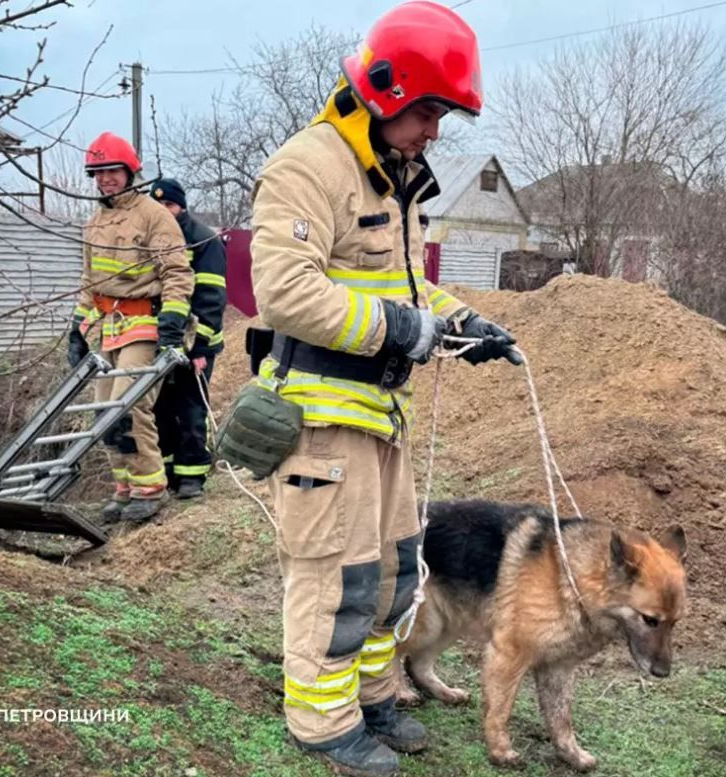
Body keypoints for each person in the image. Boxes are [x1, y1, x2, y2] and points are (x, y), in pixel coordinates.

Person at [246, 3, 520, 774]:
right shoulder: (309, 166)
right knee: (334, 573)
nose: (435, 131)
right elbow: (288, 294)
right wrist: (405, 333)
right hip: (320, 417)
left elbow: (401, 288)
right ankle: (322, 720)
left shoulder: (394, 178)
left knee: (395, 571)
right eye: (429, 111)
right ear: (385, 89)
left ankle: (373, 696)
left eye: (442, 115)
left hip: (378, 415)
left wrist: (464, 321)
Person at [67, 132, 193, 523]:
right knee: (105, 410)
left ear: (129, 171)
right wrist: (77, 327)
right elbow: (89, 280)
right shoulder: (95, 221)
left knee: (129, 404)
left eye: (111, 171)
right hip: (105, 325)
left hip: (144, 322)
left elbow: (176, 271)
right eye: (98, 172)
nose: (105, 179)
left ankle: (150, 488)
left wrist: (172, 318)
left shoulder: (153, 215)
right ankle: (124, 489)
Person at [149, 177, 228, 499]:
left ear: (181, 205)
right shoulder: (149, 239)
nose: (163, 212)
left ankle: (193, 476)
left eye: (168, 205)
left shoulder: (202, 239)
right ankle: (168, 474)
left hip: (195, 344)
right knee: (160, 410)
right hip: (160, 342)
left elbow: (211, 298)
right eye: (157, 207)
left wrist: (200, 347)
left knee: (191, 408)